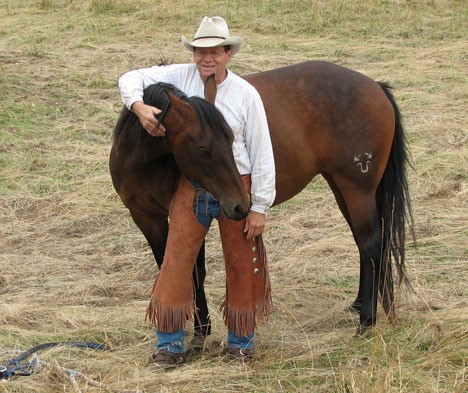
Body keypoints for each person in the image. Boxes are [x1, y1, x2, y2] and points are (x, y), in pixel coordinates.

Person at [118, 16, 276, 369]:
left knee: (241, 264)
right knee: (175, 263)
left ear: (228, 54)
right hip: (193, 186)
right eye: (201, 51)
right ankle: (170, 345)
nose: (207, 58)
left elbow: (262, 151)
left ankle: (240, 344)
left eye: (215, 51)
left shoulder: (246, 95)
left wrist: (260, 206)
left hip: (236, 182)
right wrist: (138, 106)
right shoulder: (181, 76)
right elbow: (130, 78)